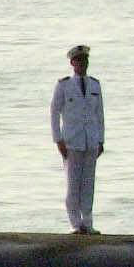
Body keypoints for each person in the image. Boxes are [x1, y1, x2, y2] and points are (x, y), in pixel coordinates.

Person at [49, 44, 105, 233]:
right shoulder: (64, 85)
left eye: (85, 60)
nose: (82, 64)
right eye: (79, 61)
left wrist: (101, 140)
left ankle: (87, 222)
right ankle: (75, 223)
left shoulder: (95, 85)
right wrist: (58, 139)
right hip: (72, 141)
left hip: (90, 140)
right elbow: (54, 112)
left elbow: (100, 114)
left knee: (88, 185)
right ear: (72, 63)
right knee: (73, 185)